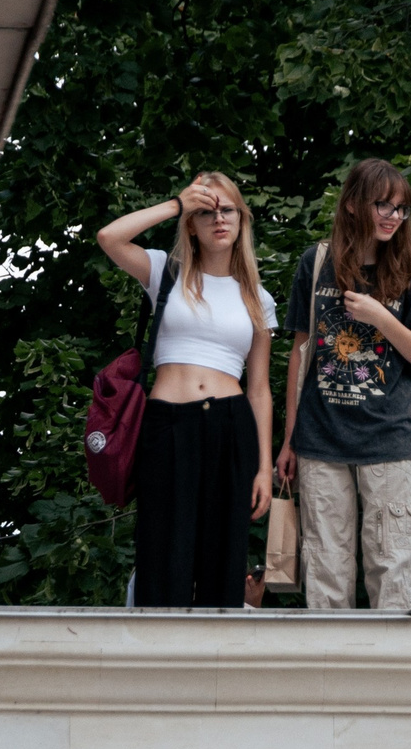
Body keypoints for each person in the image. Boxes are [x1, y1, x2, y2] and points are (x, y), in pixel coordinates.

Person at [96, 174, 276, 606]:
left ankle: (216, 662)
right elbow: (109, 237)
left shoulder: (256, 297)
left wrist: (264, 468)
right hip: (167, 423)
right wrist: (176, 204)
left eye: (227, 210)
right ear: (191, 225)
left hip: (231, 425)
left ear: (241, 220)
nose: (218, 219)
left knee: (222, 553)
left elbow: (260, 389)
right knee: (163, 548)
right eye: (205, 212)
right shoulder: (165, 272)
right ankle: (156, 662)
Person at [276, 159, 411, 610]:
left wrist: (381, 317)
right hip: (320, 439)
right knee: (326, 569)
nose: (393, 215)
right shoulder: (317, 264)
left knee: (393, 566)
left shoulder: (410, 270)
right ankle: (331, 674)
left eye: (401, 208)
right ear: (352, 205)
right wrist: (289, 438)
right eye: (382, 204)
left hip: (388, 439)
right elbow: (300, 353)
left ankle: (392, 676)